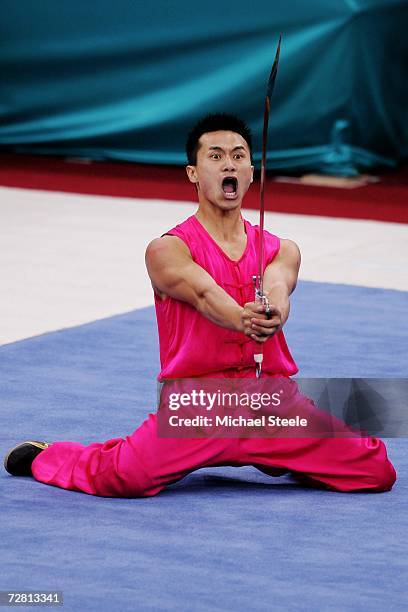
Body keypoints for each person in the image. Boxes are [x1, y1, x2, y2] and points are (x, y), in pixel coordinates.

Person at [4, 113, 396, 495]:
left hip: (270, 402)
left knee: (375, 471)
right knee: (123, 478)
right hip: (198, 406)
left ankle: (281, 453)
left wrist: (274, 311)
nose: (230, 163)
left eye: (239, 156)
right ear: (193, 172)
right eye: (216, 156)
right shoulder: (167, 250)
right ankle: (49, 456)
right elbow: (204, 294)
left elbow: (279, 286)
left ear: (251, 172)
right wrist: (243, 318)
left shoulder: (282, 248)